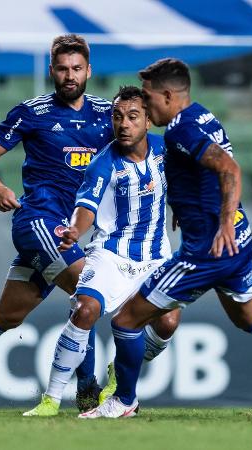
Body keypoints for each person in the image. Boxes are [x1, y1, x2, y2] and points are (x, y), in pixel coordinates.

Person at [79, 58, 252, 419]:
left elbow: (228, 168)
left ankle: (123, 401)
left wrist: (219, 223)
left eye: (149, 96)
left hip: (207, 249)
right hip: (239, 237)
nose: (146, 103)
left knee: (126, 320)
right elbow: (202, 173)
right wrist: (185, 206)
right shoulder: (202, 115)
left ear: (168, 95)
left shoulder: (179, 131)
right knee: (250, 318)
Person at [23, 85, 181, 417]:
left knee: (167, 322)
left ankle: (118, 372)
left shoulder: (164, 151)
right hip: (111, 254)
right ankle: (51, 400)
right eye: (117, 116)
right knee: (85, 309)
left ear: (148, 120)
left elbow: (185, 179)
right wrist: (75, 231)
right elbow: (86, 208)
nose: (123, 124)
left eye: (132, 117)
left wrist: (183, 205)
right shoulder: (103, 163)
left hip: (155, 257)